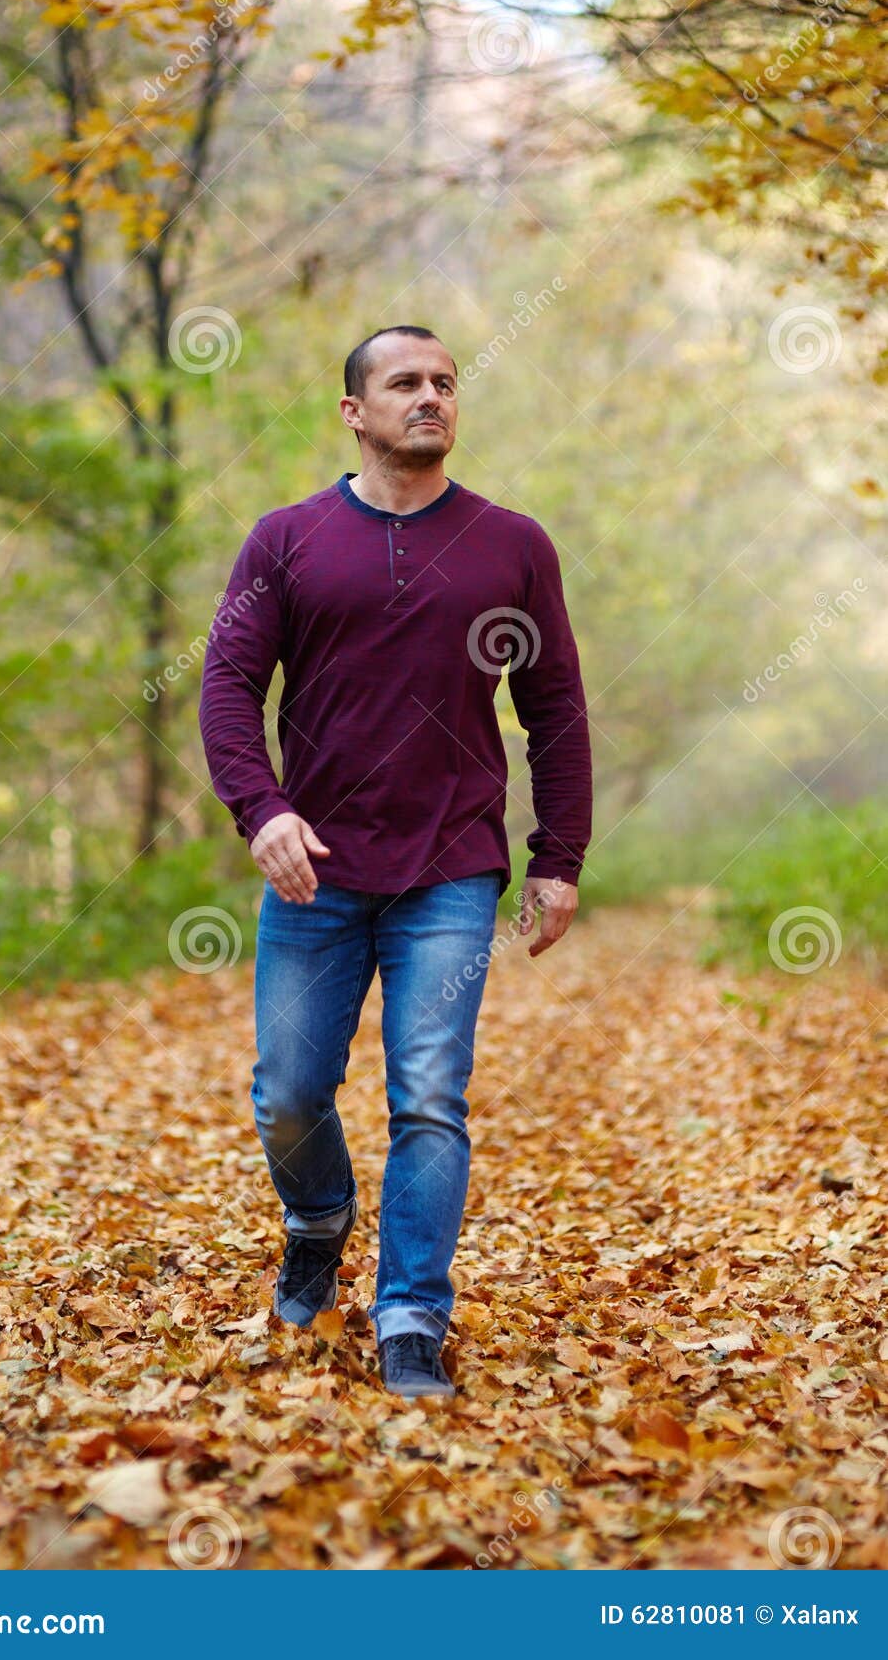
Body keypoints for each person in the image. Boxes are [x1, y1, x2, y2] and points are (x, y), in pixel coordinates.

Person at [198, 325, 592, 1398]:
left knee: (428, 1095)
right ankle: (318, 1217)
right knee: (286, 1093)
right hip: (312, 869)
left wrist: (557, 855)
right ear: (352, 413)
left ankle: (410, 1313)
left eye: (443, 383)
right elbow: (228, 687)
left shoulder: (511, 544)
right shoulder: (285, 539)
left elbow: (550, 708)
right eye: (403, 383)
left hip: (450, 870)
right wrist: (260, 809)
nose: (428, 397)